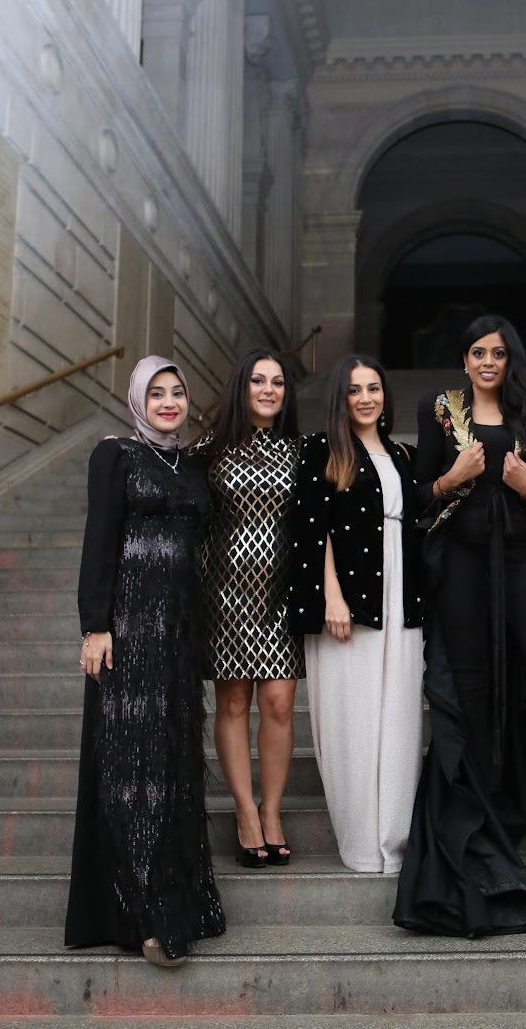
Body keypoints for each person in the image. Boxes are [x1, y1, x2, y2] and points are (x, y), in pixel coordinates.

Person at [394, 315, 526, 940]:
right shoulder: (438, 410)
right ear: (464, 360)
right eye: (477, 352)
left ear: (511, 360)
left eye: (498, 353)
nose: (487, 362)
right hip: (462, 562)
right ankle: (482, 814)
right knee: (471, 685)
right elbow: (418, 492)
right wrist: (452, 479)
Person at [65, 355, 226, 968]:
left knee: (175, 763)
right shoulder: (116, 455)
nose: (168, 402)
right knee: (135, 766)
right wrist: (94, 626)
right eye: (156, 393)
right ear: (137, 399)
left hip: (180, 633)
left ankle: (183, 900)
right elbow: (99, 539)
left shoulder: (193, 464)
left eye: (177, 392)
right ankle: (146, 915)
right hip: (129, 632)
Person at [291, 355, 425, 874]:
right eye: (354, 390)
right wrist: (332, 596)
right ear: (339, 399)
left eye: (374, 388)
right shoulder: (322, 450)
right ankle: (361, 841)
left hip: (402, 595)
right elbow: (313, 526)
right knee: (354, 715)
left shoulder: (403, 454)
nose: (366, 398)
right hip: (349, 597)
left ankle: (395, 836)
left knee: (399, 714)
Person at [196, 350, 303, 868]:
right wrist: (122, 449)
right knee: (234, 701)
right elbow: (164, 472)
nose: (268, 390)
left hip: (281, 593)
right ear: (241, 388)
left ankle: (272, 810)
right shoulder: (209, 449)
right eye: (258, 380)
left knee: (279, 703)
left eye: (277, 382)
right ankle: (244, 812)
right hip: (223, 593)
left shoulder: (301, 450)